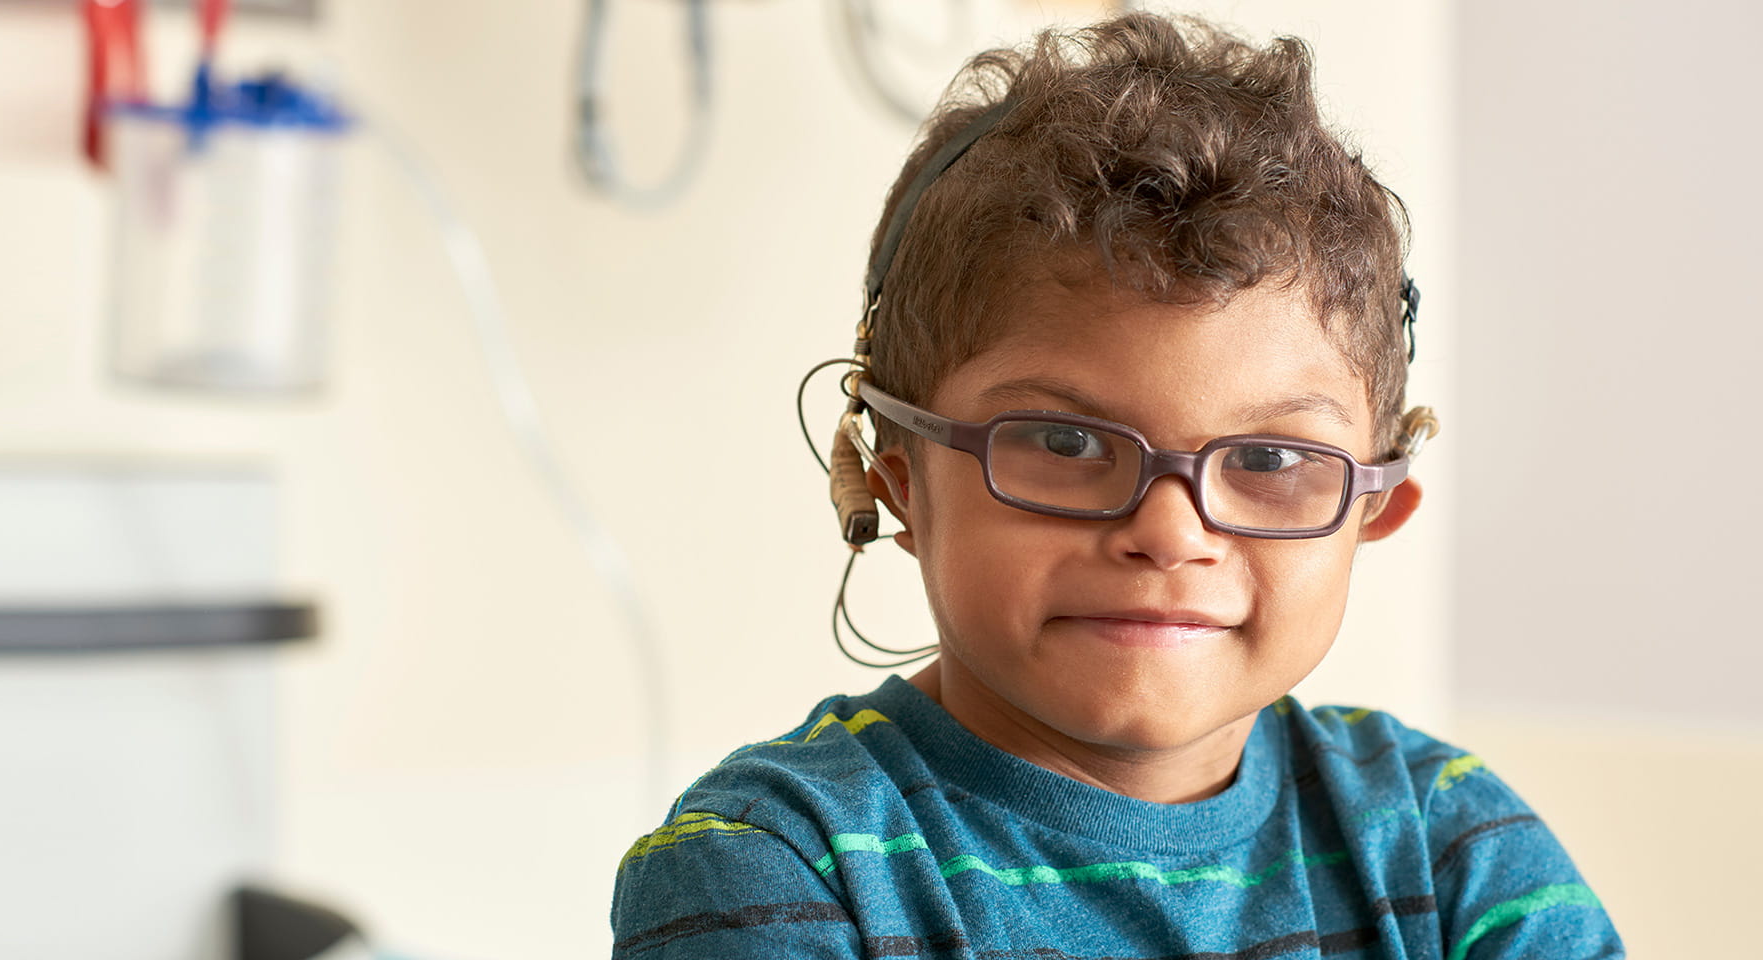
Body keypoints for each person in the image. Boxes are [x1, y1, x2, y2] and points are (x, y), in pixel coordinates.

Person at [610, 12, 1622, 959]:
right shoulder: (769, 865)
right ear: (899, 483)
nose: (1171, 534)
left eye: (1270, 460)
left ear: (1373, 509)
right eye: (1064, 440)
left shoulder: (1452, 843)